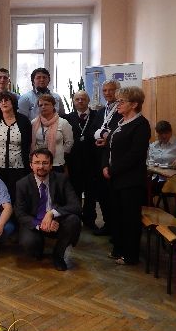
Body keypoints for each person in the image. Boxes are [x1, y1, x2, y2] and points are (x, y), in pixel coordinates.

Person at [103, 86, 151, 266]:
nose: (118, 104)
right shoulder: (120, 122)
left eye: (122, 101)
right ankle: (119, 249)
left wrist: (112, 169)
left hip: (130, 180)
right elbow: (108, 146)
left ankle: (130, 255)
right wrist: (105, 165)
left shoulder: (141, 125)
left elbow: (135, 154)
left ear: (134, 104)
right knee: (117, 215)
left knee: (130, 219)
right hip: (116, 179)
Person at [15, 148, 82, 271]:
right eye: (37, 162)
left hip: (56, 222)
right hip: (34, 222)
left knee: (74, 220)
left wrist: (52, 213)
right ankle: (38, 246)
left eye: (45, 163)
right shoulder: (22, 184)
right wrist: (40, 224)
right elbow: (20, 213)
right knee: (30, 244)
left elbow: (76, 205)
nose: (41, 166)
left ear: (51, 165)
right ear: (31, 165)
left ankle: (58, 255)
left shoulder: (62, 179)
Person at [0, 91, 32, 204]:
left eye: (6, 100)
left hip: (18, 167)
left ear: (13, 102)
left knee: (16, 196)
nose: (3, 103)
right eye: (1, 101)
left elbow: (28, 142)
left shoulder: (23, 120)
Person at [92, 79, 122, 236]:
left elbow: (121, 133)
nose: (108, 93)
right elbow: (94, 129)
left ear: (118, 91)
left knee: (114, 196)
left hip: (115, 159)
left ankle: (117, 228)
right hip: (100, 157)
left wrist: (108, 140)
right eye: (105, 90)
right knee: (102, 194)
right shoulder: (100, 111)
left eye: (111, 90)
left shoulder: (122, 110)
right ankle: (107, 224)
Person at [65, 90, 99, 229]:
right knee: (75, 194)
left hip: (93, 162)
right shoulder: (67, 118)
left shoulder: (97, 116)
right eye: (77, 99)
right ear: (73, 101)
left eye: (83, 99)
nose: (80, 101)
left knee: (91, 194)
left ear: (88, 100)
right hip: (74, 163)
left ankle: (90, 221)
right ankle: (76, 221)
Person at [31, 94, 73, 172]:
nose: (43, 107)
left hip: (56, 162)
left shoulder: (63, 122)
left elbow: (69, 142)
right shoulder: (34, 123)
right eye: (40, 105)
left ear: (53, 106)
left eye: (46, 104)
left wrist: (61, 153)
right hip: (39, 163)